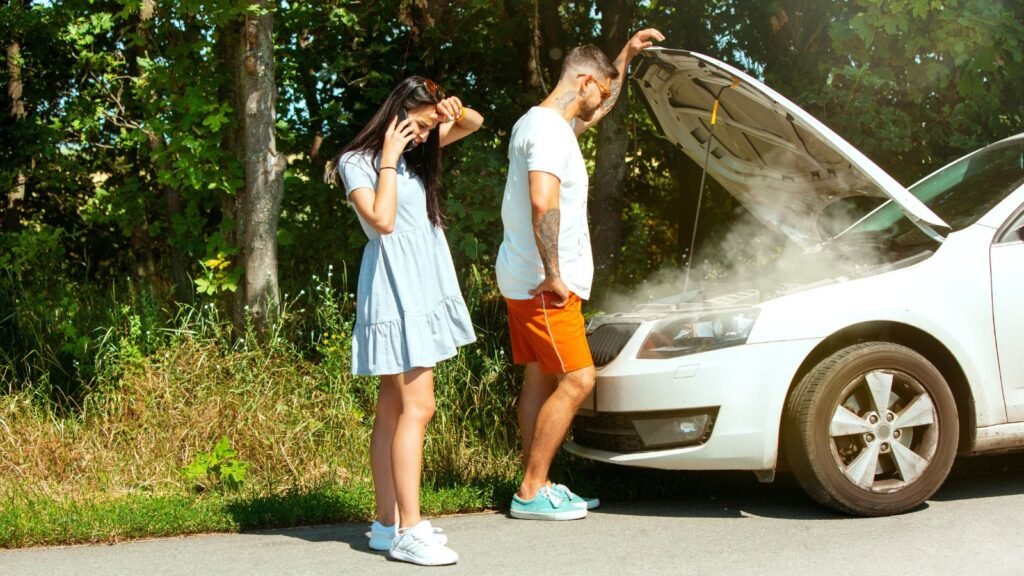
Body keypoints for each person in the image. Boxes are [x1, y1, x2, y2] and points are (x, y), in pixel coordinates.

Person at [496, 29, 665, 521]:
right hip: (544, 283)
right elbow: (542, 201)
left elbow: (597, 108)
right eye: (601, 89)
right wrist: (554, 274)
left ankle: (539, 480)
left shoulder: (543, 123)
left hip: (523, 277)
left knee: (540, 381)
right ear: (585, 81)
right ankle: (530, 491)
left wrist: (626, 57)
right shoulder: (549, 133)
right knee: (579, 379)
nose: (603, 100)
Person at [327, 76, 483, 564]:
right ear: (395, 116)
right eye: (413, 125)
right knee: (420, 407)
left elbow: (476, 124)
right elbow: (383, 220)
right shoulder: (357, 162)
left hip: (420, 287)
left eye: (424, 129)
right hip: (394, 293)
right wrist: (390, 157)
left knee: (393, 411)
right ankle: (409, 530)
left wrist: (448, 113)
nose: (421, 136)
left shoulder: (416, 152)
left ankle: (385, 523)